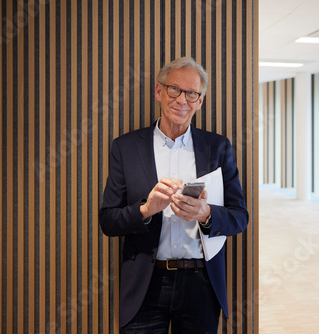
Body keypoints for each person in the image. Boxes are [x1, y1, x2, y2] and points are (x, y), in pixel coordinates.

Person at [99, 57, 249, 334]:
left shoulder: (218, 147)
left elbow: (240, 218)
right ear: (159, 91)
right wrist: (146, 209)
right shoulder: (126, 147)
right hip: (145, 284)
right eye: (174, 90)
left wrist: (205, 214)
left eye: (192, 93)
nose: (182, 100)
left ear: (200, 100)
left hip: (201, 284)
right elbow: (108, 221)